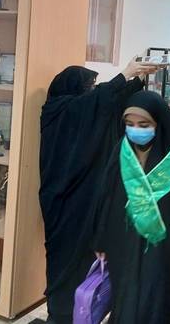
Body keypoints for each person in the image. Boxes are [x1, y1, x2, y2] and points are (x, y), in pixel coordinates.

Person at [38, 58, 157, 323]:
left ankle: (80, 311)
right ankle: (59, 313)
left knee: (84, 260)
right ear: (71, 87)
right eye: (88, 85)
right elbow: (96, 102)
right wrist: (124, 74)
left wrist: (136, 80)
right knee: (63, 260)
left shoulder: (80, 107)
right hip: (62, 201)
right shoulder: (57, 110)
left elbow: (107, 104)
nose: (92, 89)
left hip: (84, 199)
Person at [93, 91, 170, 323]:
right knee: (125, 298)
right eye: (129, 124)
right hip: (123, 242)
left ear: (159, 123)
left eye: (144, 125)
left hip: (161, 248)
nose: (135, 130)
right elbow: (106, 197)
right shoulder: (122, 150)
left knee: (150, 301)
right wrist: (101, 240)